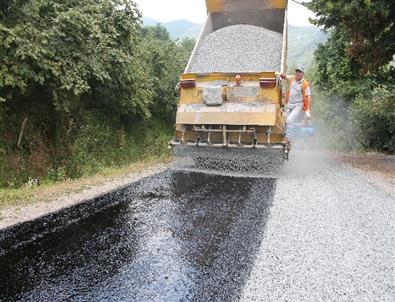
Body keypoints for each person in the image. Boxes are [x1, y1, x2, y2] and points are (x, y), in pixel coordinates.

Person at [280, 65, 312, 140]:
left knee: (289, 120)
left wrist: (307, 110)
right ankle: (284, 137)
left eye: (300, 72)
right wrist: (280, 74)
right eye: (297, 71)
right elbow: (285, 77)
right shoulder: (292, 78)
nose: (298, 73)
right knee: (284, 121)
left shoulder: (305, 84)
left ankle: (288, 139)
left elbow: (309, 97)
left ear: (303, 73)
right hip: (290, 104)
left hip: (298, 105)